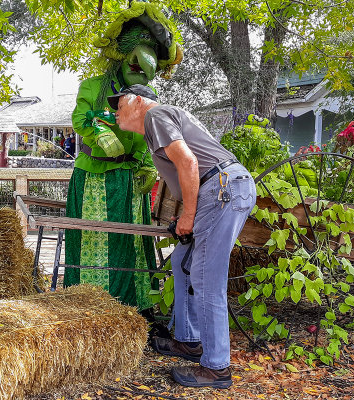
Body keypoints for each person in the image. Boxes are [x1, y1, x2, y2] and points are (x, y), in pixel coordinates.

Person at [107, 85, 256, 389]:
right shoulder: (160, 123)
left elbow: (189, 163)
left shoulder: (155, 116)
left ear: (138, 101)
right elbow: (188, 169)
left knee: (204, 278)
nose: (115, 110)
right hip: (222, 189)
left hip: (222, 190)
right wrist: (187, 211)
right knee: (183, 261)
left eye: (119, 103)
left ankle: (217, 368)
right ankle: (190, 341)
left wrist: (189, 216)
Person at [63, 0, 184, 317]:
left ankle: (135, 310)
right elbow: (82, 117)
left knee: (130, 246)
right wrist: (100, 133)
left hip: (130, 183)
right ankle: (89, 306)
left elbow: (150, 131)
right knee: (96, 241)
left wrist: (146, 164)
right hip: (94, 179)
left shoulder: (147, 96)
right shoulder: (91, 87)